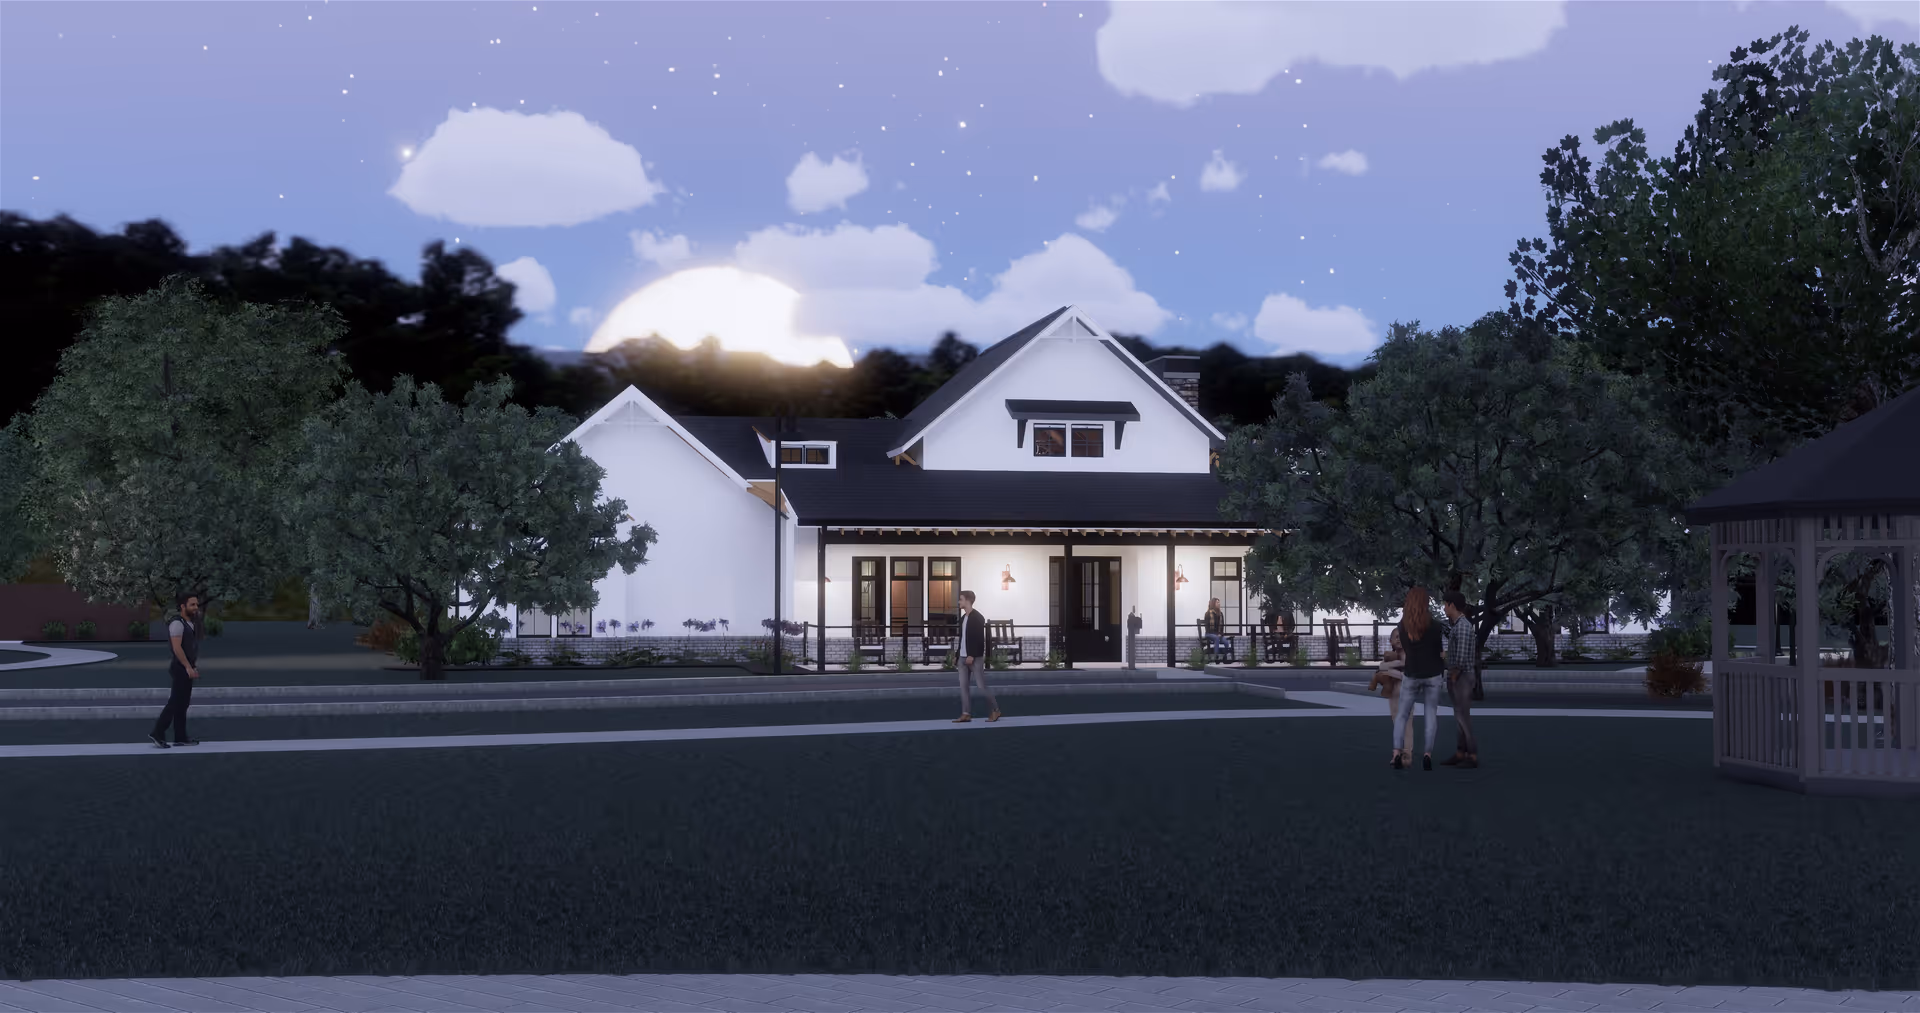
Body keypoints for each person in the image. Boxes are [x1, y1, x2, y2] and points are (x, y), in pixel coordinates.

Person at [1391, 586, 1446, 770]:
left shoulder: (1402, 626)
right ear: (1426, 602)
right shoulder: (1436, 625)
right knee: (1430, 714)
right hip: (1433, 674)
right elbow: (1439, 651)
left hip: (1412, 673)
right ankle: (1427, 755)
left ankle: (1397, 752)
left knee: (1402, 715)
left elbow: (1407, 650)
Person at [150, 592, 204, 748]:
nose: (196, 608)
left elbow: (189, 648)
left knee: (183, 704)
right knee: (175, 702)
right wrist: (187, 667)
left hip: (187, 667)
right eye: (192, 604)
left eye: (196, 604)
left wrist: (193, 666)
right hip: (180, 668)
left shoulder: (190, 623)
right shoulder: (177, 623)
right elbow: (176, 648)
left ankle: (180, 737)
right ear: (183, 606)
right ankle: (157, 732)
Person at [1441, 590, 1480, 768]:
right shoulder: (1458, 625)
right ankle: (1460, 752)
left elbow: (1462, 657)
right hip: (1459, 676)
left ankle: (1471, 753)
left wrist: (1454, 675)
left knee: (1462, 716)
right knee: (1460, 715)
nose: (1443, 608)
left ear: (1452, 605)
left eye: (1445, 604)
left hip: (1461, 677)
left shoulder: (1463, 626)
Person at [953, 590, 1000, 723]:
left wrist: (972, 655)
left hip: (974, 658)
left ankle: (995, 710)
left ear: (967, 601)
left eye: (960, 599)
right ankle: (966, 713)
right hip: (962, 657)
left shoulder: (978, 617)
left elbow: (979, 639)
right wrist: (957, 655)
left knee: (981, 686)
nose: (959, 602)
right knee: (963, 686)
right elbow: (962, 639)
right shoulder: (963, 619)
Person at [1367, 628, 1413, 758]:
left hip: (1406, 691)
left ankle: (1407, 751)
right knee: (1395, 720)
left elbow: (1409, 676)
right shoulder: (1391, 657)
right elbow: (1381, 666)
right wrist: (1394, 666)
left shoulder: (1409, 656)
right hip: (1393, 692)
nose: (1399, 639)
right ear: (1391, 641)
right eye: (1396, 637)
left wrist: (1390, 671)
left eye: (1401, 637)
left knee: (1407, 722)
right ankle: (1397, 751)